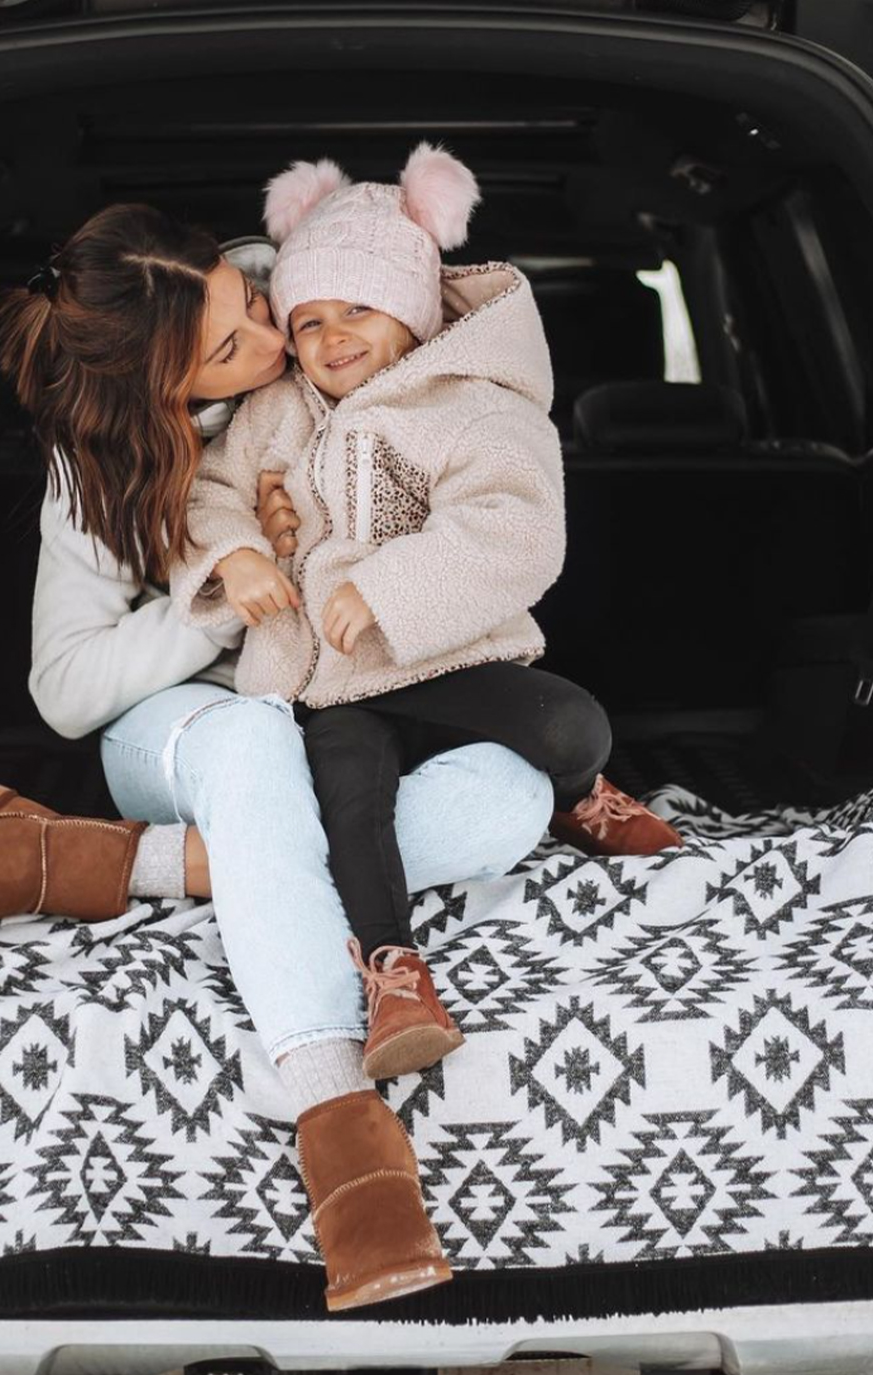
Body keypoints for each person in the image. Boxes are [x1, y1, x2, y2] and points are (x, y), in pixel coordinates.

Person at [0, 202, 558, 1311]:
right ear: (154, 389)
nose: (267, 344)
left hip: (328, 720)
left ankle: (91, 862)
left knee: (511, 798)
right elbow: (63, 693)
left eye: (253, 308)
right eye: (228, 348)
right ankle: (340, 1123)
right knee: (250, 742)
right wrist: (216, 601)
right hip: (181, 730)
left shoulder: (308, 323)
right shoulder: (92, 475)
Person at [171, 146, 683, 1083]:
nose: (331, 338)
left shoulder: (477, 406)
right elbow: (207, 492)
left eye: (357, 310)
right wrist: (239, 549)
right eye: (309, 319)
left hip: (444, 654)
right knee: (350, 794)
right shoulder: (273, 412)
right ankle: (395, 973)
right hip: (325, 679)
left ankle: (578, 797)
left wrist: (391, 589)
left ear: (411, 309)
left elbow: (517, 528)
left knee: (572, 721)